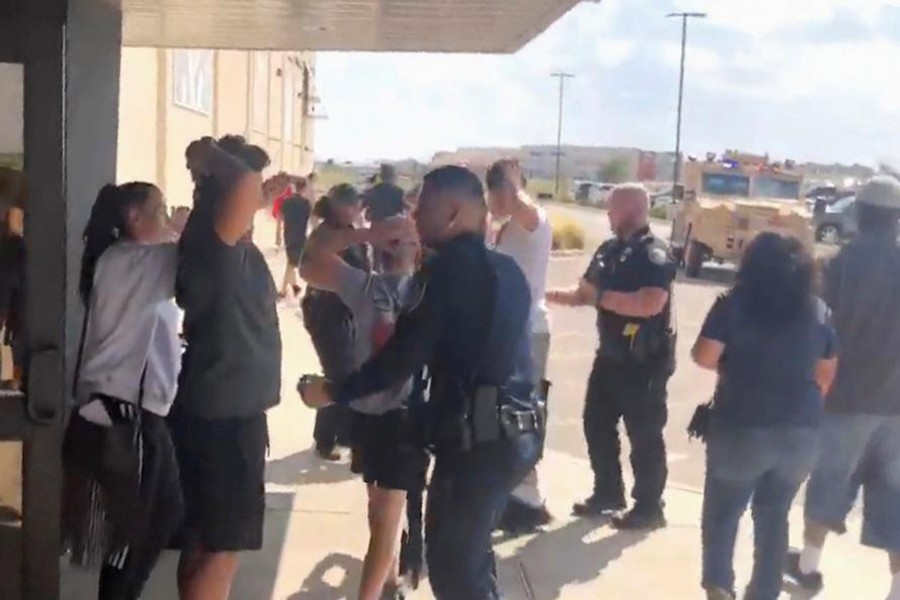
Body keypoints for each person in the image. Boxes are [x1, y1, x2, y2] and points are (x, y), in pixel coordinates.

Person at [300, 165, 543, 600]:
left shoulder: (445, 272)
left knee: (454, 573)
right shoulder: (506, 270)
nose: (414, 218)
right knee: (472, 561)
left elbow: (402, 358)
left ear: (453, 213)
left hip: (475, 442)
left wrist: (334, 392)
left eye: (424, 209)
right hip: (514, 437)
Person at [692, 232, 837, 600]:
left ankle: (719, 587)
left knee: (723, 513)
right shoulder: (819, 311)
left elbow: (705, 355)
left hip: (741, 424)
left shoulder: (733, 304)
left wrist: (733, 368)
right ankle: (764, 592)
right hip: (799, 432)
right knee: (774, 517)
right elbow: (825, 376)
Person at [169, 138, 281, 600]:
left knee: (204, 538)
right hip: (225, 416)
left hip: (219, 407)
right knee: (222, 547)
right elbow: (241, 181)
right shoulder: (216, 239)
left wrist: (262, 186)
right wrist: (205, 152)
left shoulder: (216, 236)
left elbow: (245, 185)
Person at [62, 182, 184, 600]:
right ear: (134, 217)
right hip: (127, 416)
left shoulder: (124, 259)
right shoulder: (134, 261)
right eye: (160, 209)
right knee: (133, 538)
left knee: (161, 518)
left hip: (133, 411)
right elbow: (199, 256)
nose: (166, 217)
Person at [299, 214, 427, 600]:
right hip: (368, 414)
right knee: (377, 514)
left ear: (419, 248)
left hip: (406, 418)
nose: (394, 244)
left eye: (403, 238)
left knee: (387, 521)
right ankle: (388, 586)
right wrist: (366, 233)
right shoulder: (365, 286)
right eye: (390, 238)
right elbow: (309, 260)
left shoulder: (429, 292)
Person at [785, 175, 900, 600]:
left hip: (844, 399)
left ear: (860, 214)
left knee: (828, 485)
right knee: (895, 501)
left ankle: (809, 570)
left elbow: (812, 328)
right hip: (897, 407)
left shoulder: (836, 266)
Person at [546, 183, 676, 530]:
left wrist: (599, 297)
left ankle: (649, 506)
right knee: (596, 423)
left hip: (644, 361)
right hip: (611, 355)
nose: (607, 213)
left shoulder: (653, 254)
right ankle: (608, 491)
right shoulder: (608, 250)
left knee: (644, 434)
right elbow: (584, 293)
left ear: (631, 209)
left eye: (611, 208)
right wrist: (545, 296)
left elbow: (649, 303)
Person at [485, 158, 554, 534]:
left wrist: (509, 179)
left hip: (528, 330)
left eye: (499, 190)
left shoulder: (532, 220)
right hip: (510, 331)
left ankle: (528, 500)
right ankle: (514, 494)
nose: (495, 198)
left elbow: (524, 207)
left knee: (523, 412)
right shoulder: (507, 228)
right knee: (504, 412)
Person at [302, 184, 370, 460]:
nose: (357, 211)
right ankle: (329, 439)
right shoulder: (328, 235)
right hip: (327, 313)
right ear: (341, 206)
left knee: (343, 372)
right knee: (340, 375)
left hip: (342, 312)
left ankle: (336, 436)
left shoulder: (346, 232)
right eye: (353, 206)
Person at [364, 164, 406, 270]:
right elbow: (402, 210)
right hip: (393, 229)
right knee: (390, 262)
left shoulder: (373, 190)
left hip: (377, 228)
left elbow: (365, 206)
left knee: (376, 262)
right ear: (393, 176)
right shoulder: (399, 192)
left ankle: (375, 282)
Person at [279, 177, 312, 299]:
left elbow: (280, 218)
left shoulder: (287, 201)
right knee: (292, 263)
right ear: (303, 189)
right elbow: (310, 220)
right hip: (300, 235)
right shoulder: (306, 204)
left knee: (291, 263)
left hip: (288, 234)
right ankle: (288, 289)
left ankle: (289, 289)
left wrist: (278, 235)